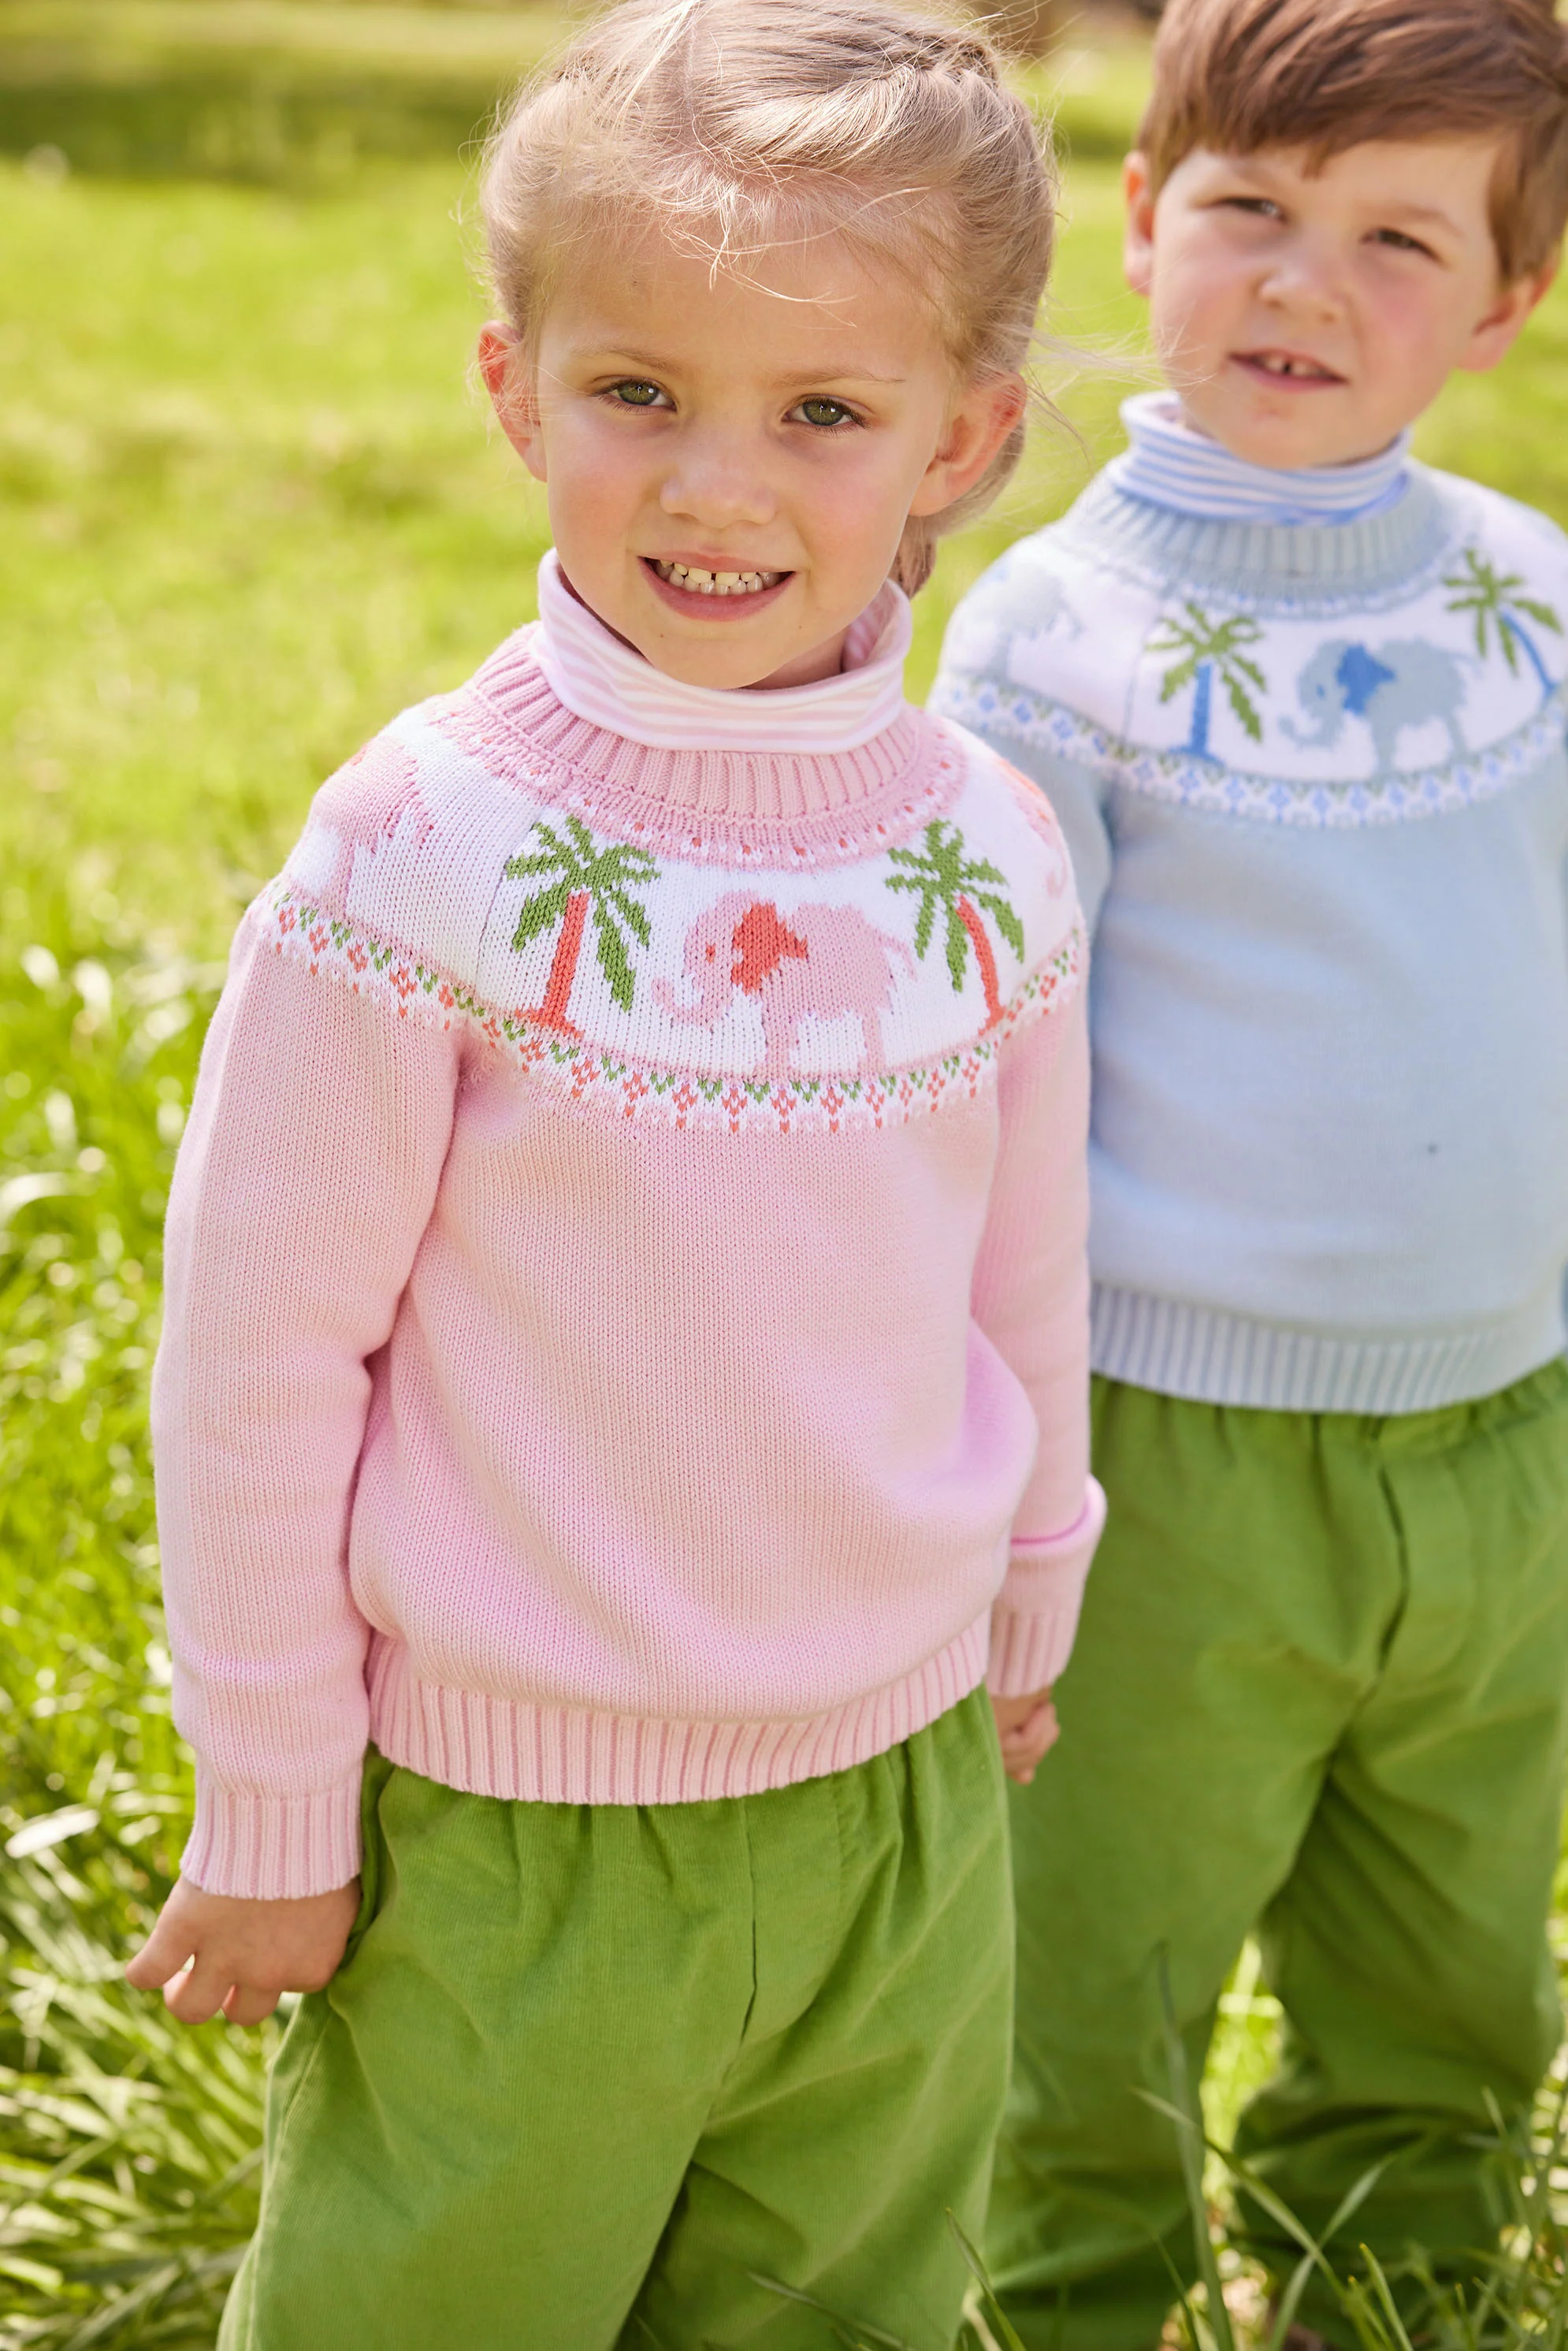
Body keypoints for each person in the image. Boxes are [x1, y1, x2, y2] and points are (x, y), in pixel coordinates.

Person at [122, 2, 1104, 2342]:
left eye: (824, 414)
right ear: (510, 385)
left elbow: (1023, 1267)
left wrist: (1025, 1594)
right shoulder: (427, 846)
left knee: (838, 2300)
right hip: (510, 1843)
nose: (714, 488)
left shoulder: (983, 845)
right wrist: (276, 1798)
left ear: (961, 439)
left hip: (891, 1797)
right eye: (636, 392)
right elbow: (259, 1350)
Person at [931, 0, 1568, 2342]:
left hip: (1505, 1428)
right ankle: (1061, 2294)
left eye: (1395, 238)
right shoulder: (1047, 642)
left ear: (1506, 301)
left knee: (1449, 1959)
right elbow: (991, 1068)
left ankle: (1392, 2279)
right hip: (1174, 1449)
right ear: (1138, 216)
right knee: (1083, 1975)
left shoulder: (1523, 595)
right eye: (1247, 214)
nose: (1302, 285)